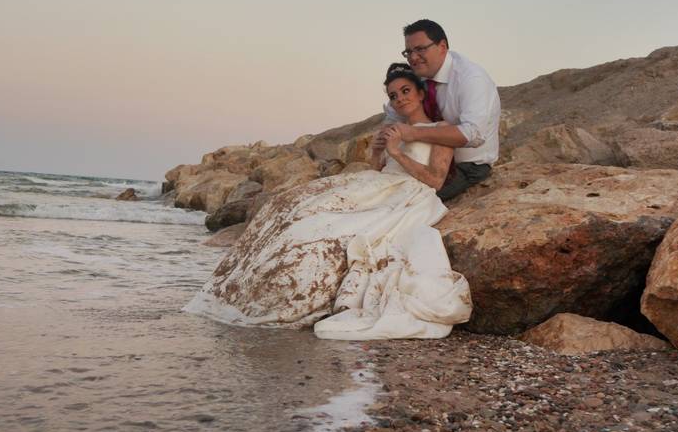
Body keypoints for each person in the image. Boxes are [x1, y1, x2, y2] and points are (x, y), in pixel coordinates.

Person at [183, 64, 472, 340]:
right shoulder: (392, 129)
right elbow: (379, 169)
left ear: (421, 92)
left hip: (408, 194)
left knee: (322, 228)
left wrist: (397, 152)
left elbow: (434, 180)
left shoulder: (439, 128)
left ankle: (287, 295)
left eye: (406, 91)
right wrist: (378, 151)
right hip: (377, 185)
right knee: (289, 206)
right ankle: (238, 290)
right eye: (393, 96)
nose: (399, 99)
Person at [376, 19, 501, 201]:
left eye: (420, 49)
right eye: (408, 52)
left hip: (465, 165)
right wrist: (386, 135)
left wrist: (414, 133)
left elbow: (473, 134)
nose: (413, 57)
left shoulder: (471, 79)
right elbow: (392, 117)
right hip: (422, 160)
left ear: (442, 46)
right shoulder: (418, 75)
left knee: (407, 199)